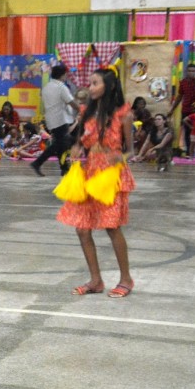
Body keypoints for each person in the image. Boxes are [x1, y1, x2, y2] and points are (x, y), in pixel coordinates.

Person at [60, 68, 135, 298]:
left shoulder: (124, 114)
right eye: (90, 83)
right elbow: (82, 142)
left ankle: (126, 279)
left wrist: (120, 157)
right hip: (89, 172)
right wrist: (77, 148)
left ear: (109, 86)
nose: (90, 88)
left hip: (111, 176)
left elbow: (130, 150)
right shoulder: (86, 113)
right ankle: (96, 280)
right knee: (82, 229)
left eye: (95, 83)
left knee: (112, 227)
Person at [31, 63, 77, 176]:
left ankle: (64, 168)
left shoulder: (47, 87)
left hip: (51, 120)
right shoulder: (61, 87)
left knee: (62, 144)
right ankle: (38, 162)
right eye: (65, 74)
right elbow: (71, 102)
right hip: (61, 119)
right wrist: (82, 110)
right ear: (62, 75)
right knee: (61, 143)